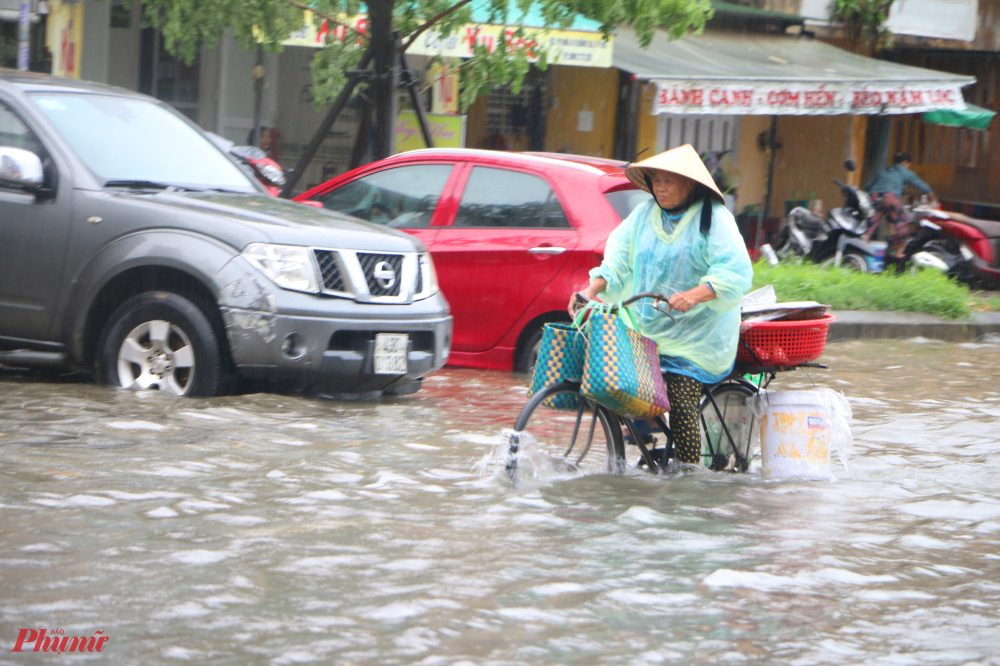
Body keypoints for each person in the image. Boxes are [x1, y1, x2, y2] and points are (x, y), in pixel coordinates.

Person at [568, 144, 754, 466]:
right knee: (613, 379)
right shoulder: (642, 216)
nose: (661, 187)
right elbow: (617, 264)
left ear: (691, 184)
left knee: (681, 401)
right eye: (656, 180)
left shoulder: (715, 219)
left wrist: (694, 295)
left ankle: (688, 474)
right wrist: (590, 290)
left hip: (698, 341)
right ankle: (647, 432)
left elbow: (734, 272)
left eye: (669, 180)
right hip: (649, 331)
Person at [865, 152, 939, 258]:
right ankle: (898, 253)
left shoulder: (884, 171)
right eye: (908, 164)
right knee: (902, 224)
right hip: (890, 198)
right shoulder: (905, 172)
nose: (908, 166)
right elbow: (922, 186)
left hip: (874, 197)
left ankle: (864, 244)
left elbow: (868, 186)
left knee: (871, 224)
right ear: (905, 162)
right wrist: (934, 200)